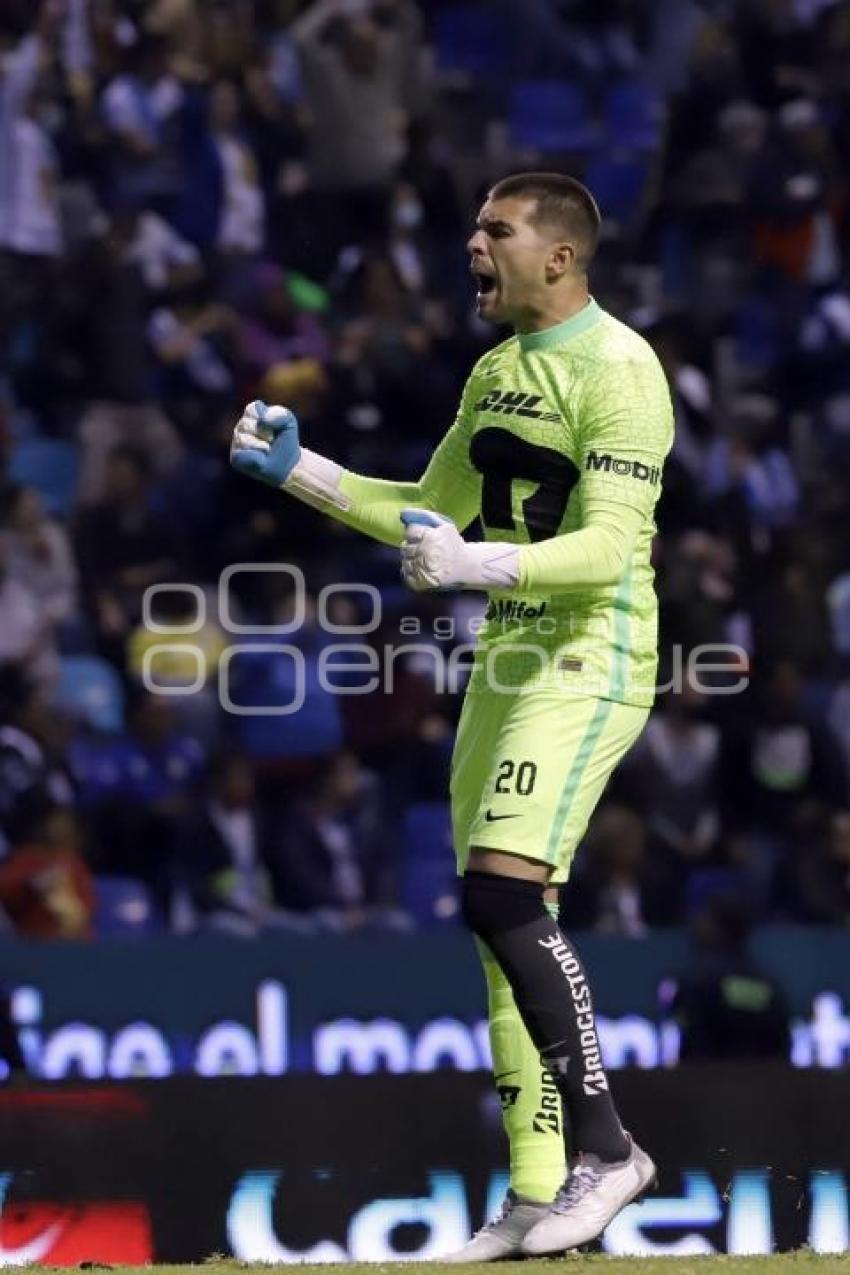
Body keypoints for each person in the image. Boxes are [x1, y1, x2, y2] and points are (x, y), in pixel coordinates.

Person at [229, 171, 673, 1257]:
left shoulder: (619, 371)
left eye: (495, 229)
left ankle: (609, 1154)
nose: (472, 243)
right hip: (505, 662)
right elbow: (425, 510)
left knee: (499, 891)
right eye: (472, 224)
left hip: (587, 652)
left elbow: (609, 549)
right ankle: (534, 1193)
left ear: (559, 255)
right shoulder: (497, 370)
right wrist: (305, 473)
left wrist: (481, 562)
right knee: (498, 922)